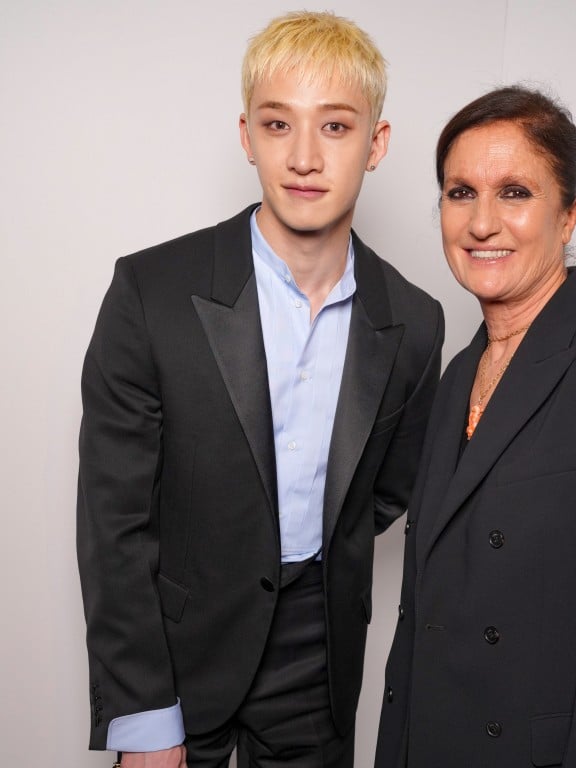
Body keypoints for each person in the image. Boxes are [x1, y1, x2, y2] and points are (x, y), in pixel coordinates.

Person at [77, 11, 443, 768]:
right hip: (174, 652)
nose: (304, 157)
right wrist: (143, 717)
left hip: (319, 660)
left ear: (376, 144)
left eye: (335, 127)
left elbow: (381, 494)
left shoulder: (414, 321)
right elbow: (113, 523)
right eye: (279, 124)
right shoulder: (150, 292)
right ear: (247, 136)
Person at [375, 85, 576, 768]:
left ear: (568, 215)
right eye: (460, 193)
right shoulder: (457, 375)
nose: (482, 222)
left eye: (515, 193)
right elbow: (420, 624)